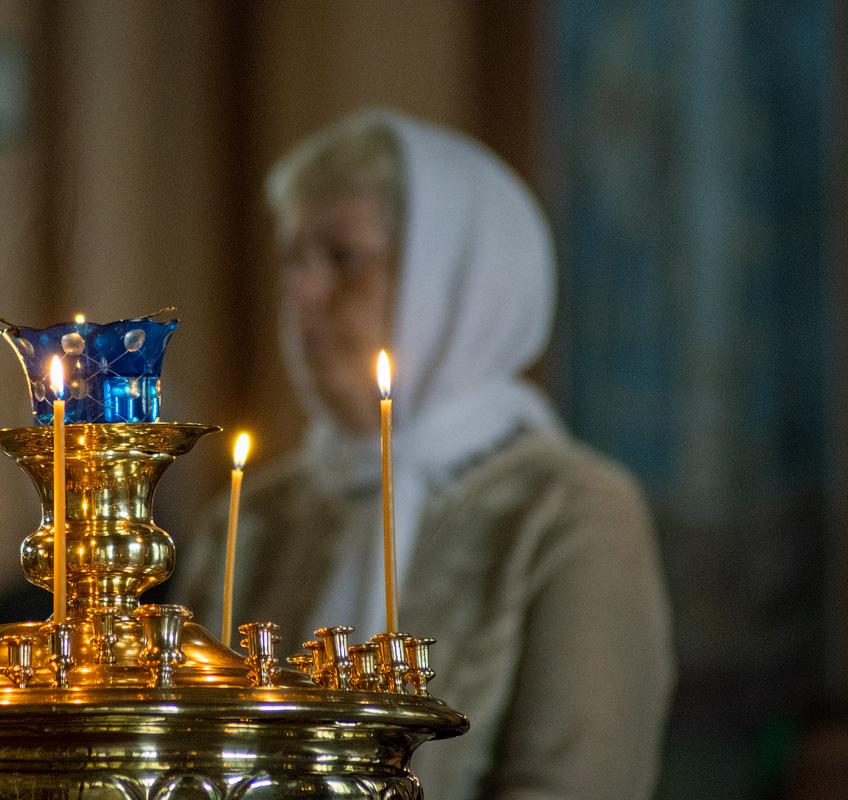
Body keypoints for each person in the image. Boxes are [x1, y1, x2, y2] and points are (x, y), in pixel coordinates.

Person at [177, 108, 675, 800]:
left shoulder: (570, 510)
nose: (300, 291)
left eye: (343, 257)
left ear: (455, 280)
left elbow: (575, 781)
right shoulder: (253, 518)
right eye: (292, 258)